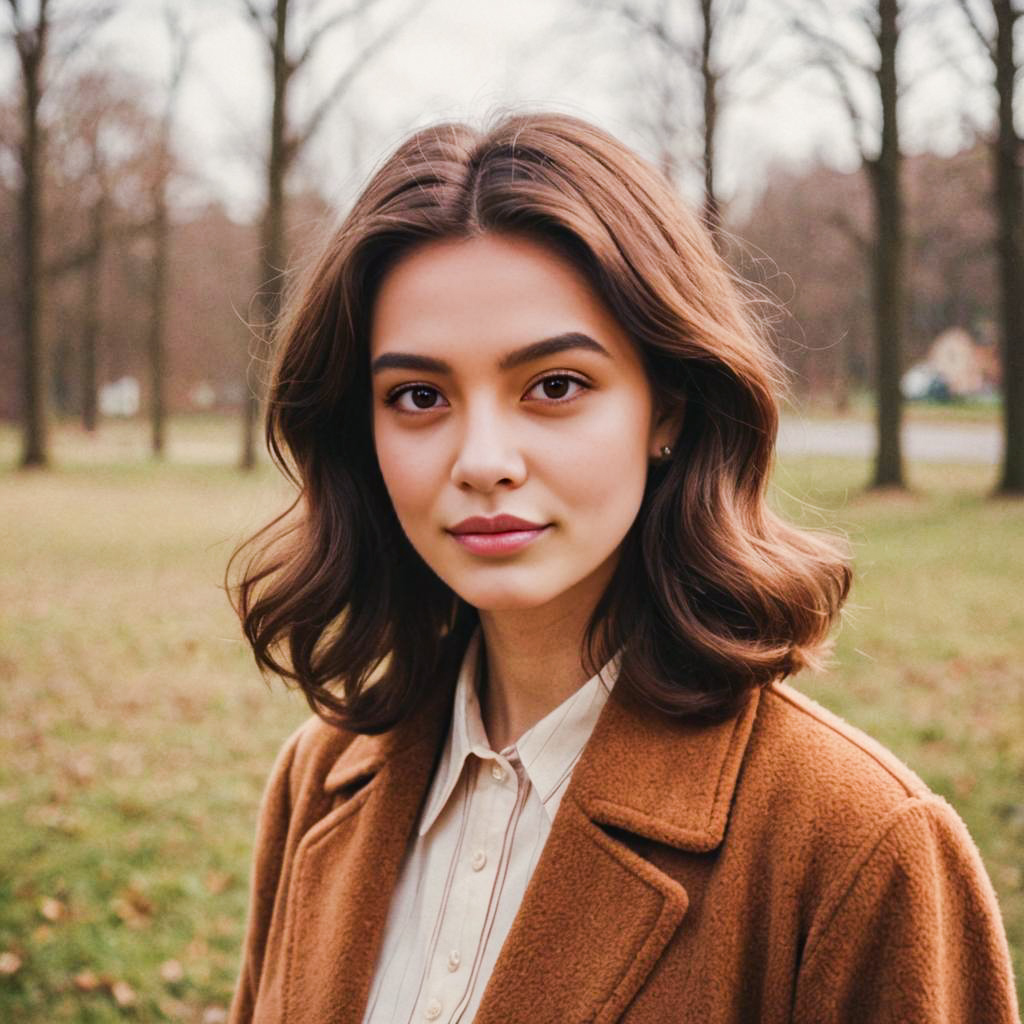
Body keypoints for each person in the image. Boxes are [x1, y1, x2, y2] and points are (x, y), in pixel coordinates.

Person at [225, 112, 1019, 1023]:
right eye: (418, 396)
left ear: (668, 407)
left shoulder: (860, 847)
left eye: (554, 386)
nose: (483, 459)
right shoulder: (319, 780)